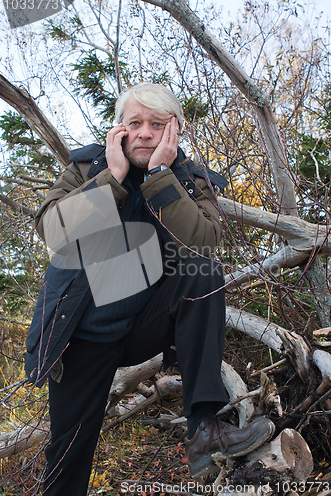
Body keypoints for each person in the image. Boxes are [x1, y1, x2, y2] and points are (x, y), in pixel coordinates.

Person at [25, 83, 274, 495]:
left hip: (142, 327)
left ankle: (205, 429)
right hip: (80, 336)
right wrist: (114, 177)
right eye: (135, 122)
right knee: (68, 459)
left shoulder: (190, 179)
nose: (144, 133)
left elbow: (206, 243)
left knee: (202, 270)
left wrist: (160, 176)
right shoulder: (86, 169)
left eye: (156, 124)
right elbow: (53, 232)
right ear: (119, 129)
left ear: (173, 130)